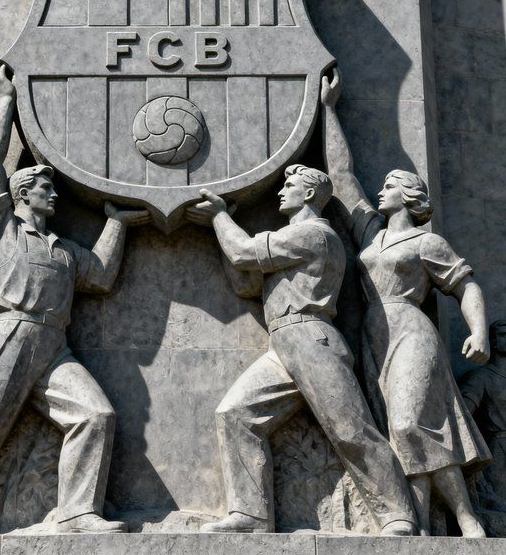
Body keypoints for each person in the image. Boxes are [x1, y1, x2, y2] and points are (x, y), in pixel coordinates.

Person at [0, 64, 149, 537]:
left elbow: (102, 275)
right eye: (46, 188)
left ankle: (77, 512)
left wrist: (117, 223)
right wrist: (6, 99)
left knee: (96, 415)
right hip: (10, 336)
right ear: (23, 193)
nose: (54, 195)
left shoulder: (63, 249)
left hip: (54, 345)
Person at [189, 165, 418, 535]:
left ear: (310, 194)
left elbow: (244, 253)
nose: (281, 192)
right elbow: (247, 283)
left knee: (351, 431)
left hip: (312, 339)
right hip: (283, 342)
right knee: (236, 415)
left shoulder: (314, 234)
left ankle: (398, 515)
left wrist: (219, 217)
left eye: (290, 185)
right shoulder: (291, 239)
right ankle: (251, 515)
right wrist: (221, 232)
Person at [321, 67, 491, 537]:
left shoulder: (426, 242)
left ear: (410, 195)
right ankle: (418, 524)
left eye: (391, 184)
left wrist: (478, 332)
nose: (382, 189)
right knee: (395, 432)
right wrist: (328, 110)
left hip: (412, 330)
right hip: (375, 335)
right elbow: (341, 176)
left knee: (409, 422)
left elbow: (466, 286)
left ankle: (466, 517)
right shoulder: (370, 236)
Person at [461, 320, 506, 506]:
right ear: (492, 341)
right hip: (498, 449)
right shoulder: (480, 378)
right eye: (503, 335)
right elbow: (463, 415)